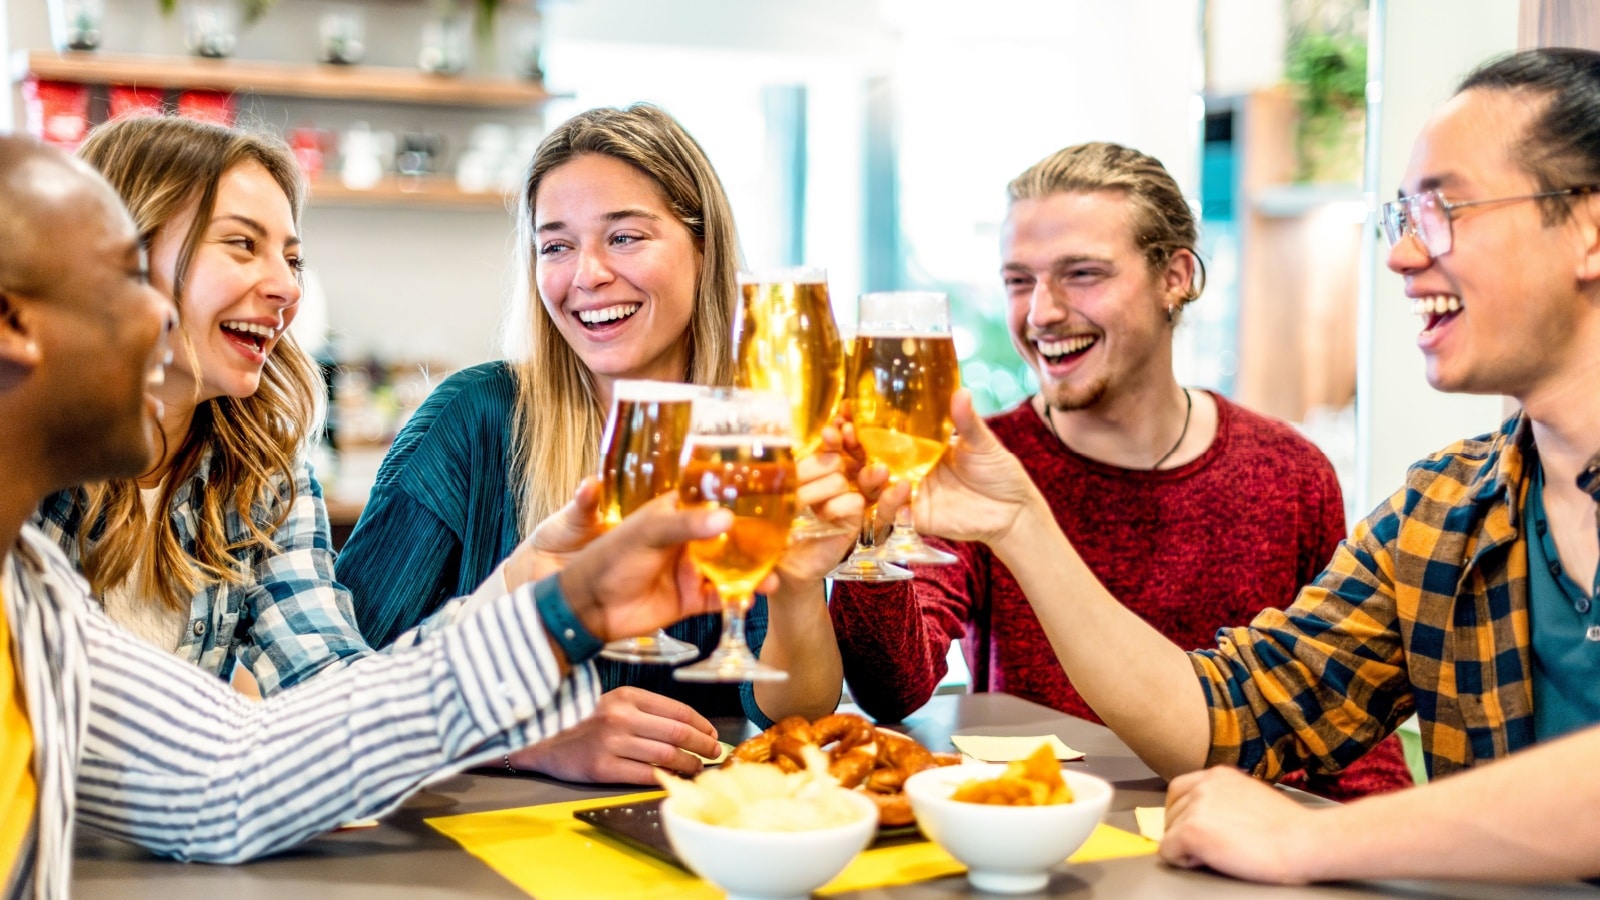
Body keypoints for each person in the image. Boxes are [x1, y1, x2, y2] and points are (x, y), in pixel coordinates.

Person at [895, 47, 1600, 884]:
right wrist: (1019, 520)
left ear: (1590, 230)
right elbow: (1231, 712)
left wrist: (1312, 839)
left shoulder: (1296, 469)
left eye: (1444, 210)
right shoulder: (1442, 514)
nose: (1402, 257)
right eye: (1401, 219)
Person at [0, 132, 753, 899]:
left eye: (292, 258)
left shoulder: (34, 596)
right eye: (128, 277)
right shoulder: (37, 553)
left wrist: (540, 592)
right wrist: (553, 635)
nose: (289, 289)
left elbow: (246, 759)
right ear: (12, 320)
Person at [830, 141, 1411, 799]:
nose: (1041, 313)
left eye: (1082, 274)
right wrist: (869, 543)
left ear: (1176, 277)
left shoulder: (1290, 473)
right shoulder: (983, 466)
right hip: (1045, 835)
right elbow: (892, 687)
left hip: (1246, 850)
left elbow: (1350, 722)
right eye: (1019, 280)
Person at [337, 103, 861, 784]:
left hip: (696, 839)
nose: (585, 275)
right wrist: (529, 742)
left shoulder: (750, 429)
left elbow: (793, 716)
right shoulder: (473, 419)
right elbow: (338, 683)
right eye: (555, 245)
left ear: (703, 247)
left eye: (624, 237)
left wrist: (796, 586)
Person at [25, 115, 428, 700]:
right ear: (122, 254)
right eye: (243, 244)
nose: (289, 289)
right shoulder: (26, 452)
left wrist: (515, 628)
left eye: (292, 260)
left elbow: (327, 687)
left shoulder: (263, 474)